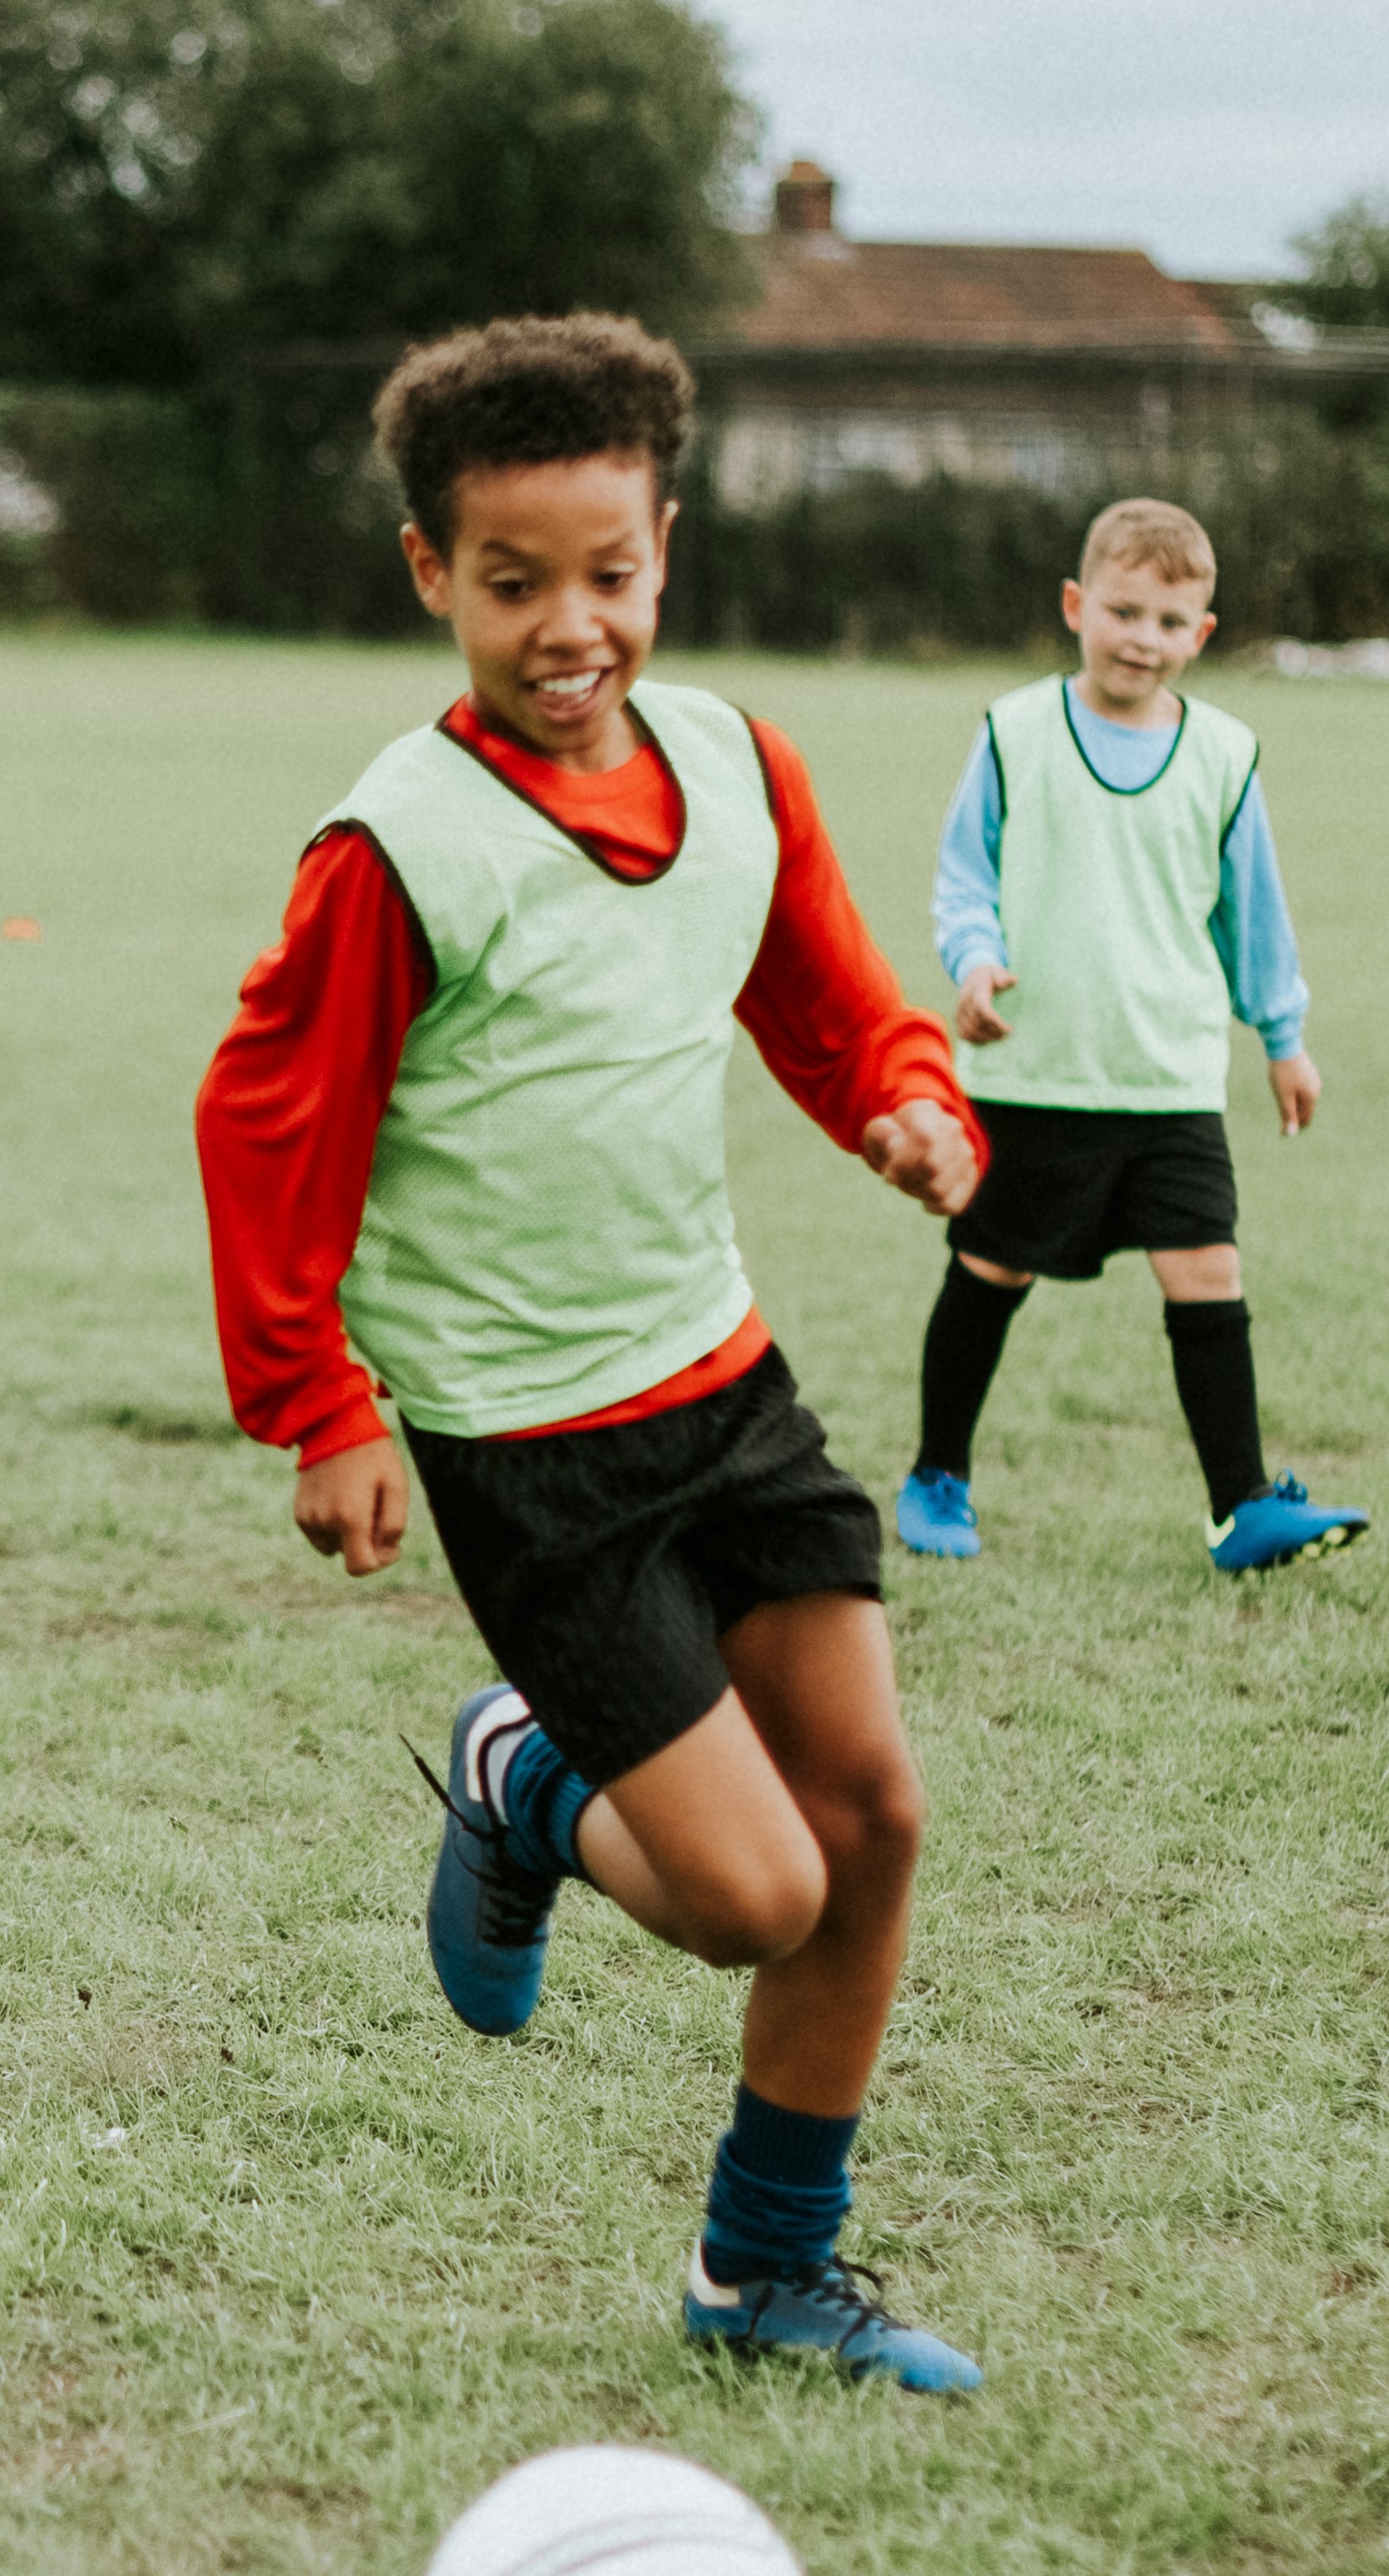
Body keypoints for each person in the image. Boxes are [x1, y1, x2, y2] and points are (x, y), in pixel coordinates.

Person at [196, 313, 995, 2391]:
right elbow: (270, 1123)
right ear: (428, 576)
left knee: (875, 1818)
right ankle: (523, 1776)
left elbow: (831, 1005)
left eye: (610, 574)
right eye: (513, 580)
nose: (572, 626)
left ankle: (762, 2273)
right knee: (747, 1892)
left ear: (665, 548)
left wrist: (913, 1103)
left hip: (724, 1386)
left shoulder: (736, 758)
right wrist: (320, 1404)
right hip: (525, 1446)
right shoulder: (400, 846)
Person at [893, 497, 1363, 1576]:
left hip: (1170, 1077)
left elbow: (1255, 917)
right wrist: (973, 962)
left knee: (1208, 1271)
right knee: (991, 1265)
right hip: (1036, 1069)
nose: (1141, 638)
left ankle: (1241, 1506)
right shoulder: (1014, 731)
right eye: (1123, 611)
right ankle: (937, 1475)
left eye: (1167, 621)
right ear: (1076, 606)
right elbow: (965, 874)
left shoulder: (1226, 755)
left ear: (1200, 635)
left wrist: (1284, 1037)